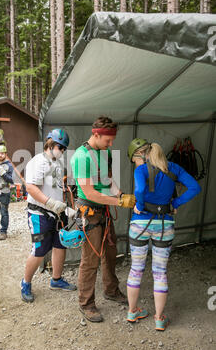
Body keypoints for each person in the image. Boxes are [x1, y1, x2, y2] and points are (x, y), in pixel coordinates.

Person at [126, 138, 201, 331]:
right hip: (164, 224)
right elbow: (195, 187)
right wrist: (174, 204)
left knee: (136, 269)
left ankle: (132, 311)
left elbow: (140, 189)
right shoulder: (174, 168)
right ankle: (159, 318)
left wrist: (140, 206)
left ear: (143, 154)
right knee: (160, 272)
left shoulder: (141, 170)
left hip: (140, 224)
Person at [70, 116, 135, 323]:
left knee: (110, 251)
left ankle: (111, 290)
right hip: (89, 211)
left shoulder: (103, 152)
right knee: (90, 260)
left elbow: (107, 180)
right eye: (108, 140)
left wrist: (120, 194)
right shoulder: (81, 157)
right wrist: (118, 202)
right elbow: (89, 193)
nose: (111, 144)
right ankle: (86, 303)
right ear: (96, 134)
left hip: (104, 209)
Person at [20, 129, 77, 303]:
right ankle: (26, 283)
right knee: (39, 250)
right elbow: (30, 188)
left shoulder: (58, 163)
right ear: (50, 143)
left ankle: (56, 280)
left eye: (64, 148)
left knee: (60, 245)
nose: (62, 150)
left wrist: (66, 207)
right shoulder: (38, 162)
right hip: (40, 213)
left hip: (57, 213)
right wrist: (50, 203)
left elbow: (58, 188)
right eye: (60, 146)